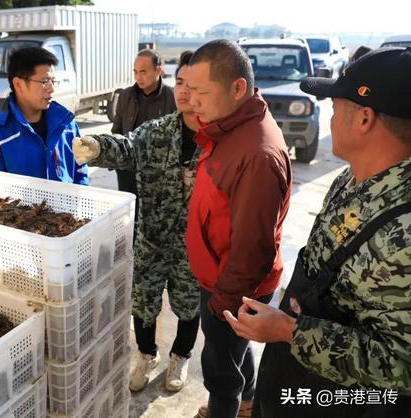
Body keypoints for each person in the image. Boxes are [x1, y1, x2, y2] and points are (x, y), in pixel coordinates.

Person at [224, 47, 411, 418]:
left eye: (335, 108)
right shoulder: (350, 179)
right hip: (290, 380)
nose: (330, 119)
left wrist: (291, 332)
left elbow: (401, 365)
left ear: (364, 119)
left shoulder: (405, 231)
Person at [73, 51, 201, 393]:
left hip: (194, 245)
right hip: (152, 237)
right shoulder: (159, 131)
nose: (186, 91)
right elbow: (128, 146)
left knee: (189, 305)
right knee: (143, 303)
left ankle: (181, 356)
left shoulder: (222, 141)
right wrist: (97, 146)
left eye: (195, 84)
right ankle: (147, 354)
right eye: (182, 82)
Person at [184, 40, 292, 418]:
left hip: (232, 288)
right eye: (186, 88)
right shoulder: (229, 125)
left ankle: (226, 408)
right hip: (220, 277)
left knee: (219, 369)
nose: (190, 100)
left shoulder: (256, 154)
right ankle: (246, 405)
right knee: (234, 353)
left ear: (238, 88)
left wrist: (222, 305)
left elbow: (251, 251)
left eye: (200, 91)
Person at [0, 47, 88, 184]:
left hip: (67, 205)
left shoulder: (67, 126)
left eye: (53, 81)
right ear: (19, 84)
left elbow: (80, 172)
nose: (51, 89)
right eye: (44, 82)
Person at [111, 49, 176, 225]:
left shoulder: (172, 97)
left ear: (158, 70)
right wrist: (117, 160)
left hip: (158, 173)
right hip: (128, 170)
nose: (138, 77)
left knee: (155, 220)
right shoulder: (126, 96)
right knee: (128, 217)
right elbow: (117, 129)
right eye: (135, 72)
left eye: (143, 71)